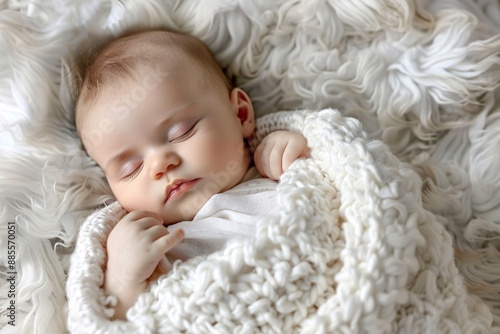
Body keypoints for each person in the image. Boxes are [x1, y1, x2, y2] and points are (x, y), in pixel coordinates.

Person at [75, 29, 309, 319]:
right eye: (130, 169)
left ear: (241, 115)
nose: (159, 165)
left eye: (181, 132)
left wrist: (298, 152)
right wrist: (122, 282)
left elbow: (337, 189)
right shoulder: (157, 249)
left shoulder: (274, 172)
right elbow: (126, 323)